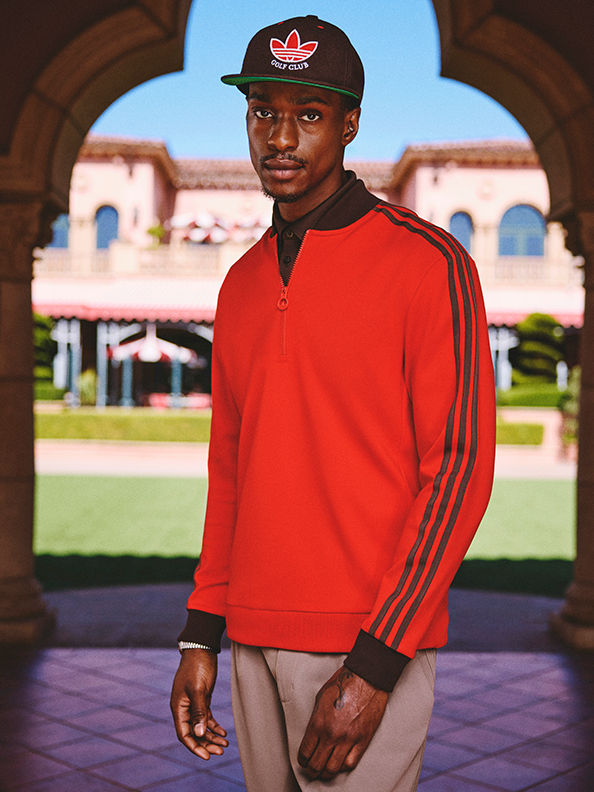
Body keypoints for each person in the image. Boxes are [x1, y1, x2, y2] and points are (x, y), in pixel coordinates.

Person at [171, 15, 495, 791]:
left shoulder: (431, 264)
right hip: (248, 633)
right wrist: (200, 636)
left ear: (350, 124)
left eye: (308, 114)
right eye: (263, 112)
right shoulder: (240, 283)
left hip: (365, 642)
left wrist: (376, 665)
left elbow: (457, 473)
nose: (280, 137)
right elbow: (231, 472)